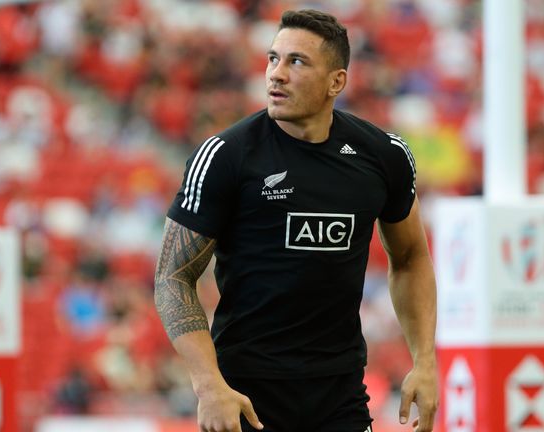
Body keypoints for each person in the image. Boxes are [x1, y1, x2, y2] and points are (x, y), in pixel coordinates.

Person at [154, 9, 437, 432]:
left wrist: (425, 361)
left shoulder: (385, 157)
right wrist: (208, 385)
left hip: (340, 396)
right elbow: (172, 277)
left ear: (336, 82)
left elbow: (411, 257)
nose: (276, 74)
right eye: (273, 59)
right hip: (245, 398)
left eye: (296, 62)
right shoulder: (226, 156)